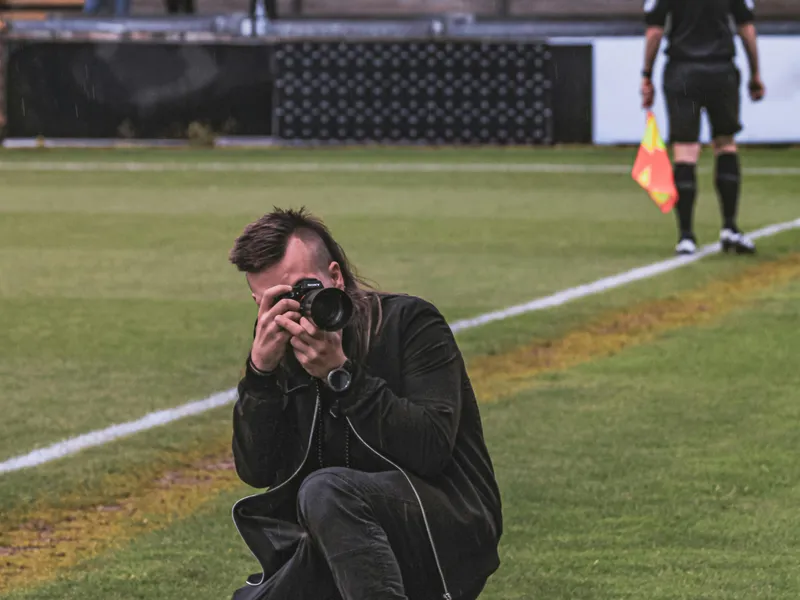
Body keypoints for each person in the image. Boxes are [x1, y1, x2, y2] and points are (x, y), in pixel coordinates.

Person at [226, 207, 503, 600]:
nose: (297, 310)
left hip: (442, 531)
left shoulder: (410, 323)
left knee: (325, 490)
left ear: (335, 277)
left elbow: (431, 450)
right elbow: (256, 469)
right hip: (338, 540)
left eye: (304, 290)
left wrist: (342, 376)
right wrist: (260, 375)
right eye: (277, 303)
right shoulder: (279, 354)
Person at [640, 0, 766, 256]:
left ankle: (686, 236)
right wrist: (755, 73)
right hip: (721, 70)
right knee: (726, 144)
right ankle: (730, 227)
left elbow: (655, 30)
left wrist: (646, 74)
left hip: (682, 70)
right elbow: (746, 28)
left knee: (685, 150)